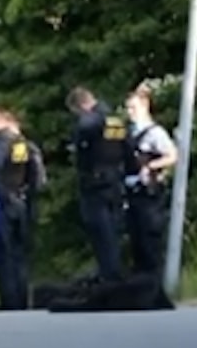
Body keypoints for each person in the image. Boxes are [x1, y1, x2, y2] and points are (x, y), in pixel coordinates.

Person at [0, 106, 45, 310]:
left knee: (5, 255)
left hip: (3, 204)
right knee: (20, 255)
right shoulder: (24, 144)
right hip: (23, 202)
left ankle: (10, 302)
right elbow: (39, 179)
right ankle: (23, 299)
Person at [65, 86, 128, 283]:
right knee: (112, 231)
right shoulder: (115, 120)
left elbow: (85, 127)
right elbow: (128, 147)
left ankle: (110, 275)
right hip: (115, 180)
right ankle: (112, 272)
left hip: (96, 183)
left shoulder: (93, 119)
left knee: (101, 232)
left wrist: (77, 142)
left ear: (82, 105)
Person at [122, 86, 177, 280]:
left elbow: (172, 156)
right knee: (135, 241)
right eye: (128, 108)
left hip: (149, 193)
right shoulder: (128, 133)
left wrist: (151, 166)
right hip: (131, 192)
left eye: (133, 108)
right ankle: (140, 283)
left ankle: (155, 283)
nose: (130, 113)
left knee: (150, 239)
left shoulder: (155, 133)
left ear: (145, 107)